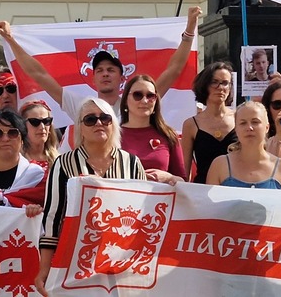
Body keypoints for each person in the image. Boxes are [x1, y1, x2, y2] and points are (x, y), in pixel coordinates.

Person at [0, 7, 201, 129]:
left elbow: (173, 70)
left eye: (111, 70)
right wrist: (10, 40)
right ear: (92, 79)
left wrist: (190, 30)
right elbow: (39, 74)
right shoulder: (82, 106)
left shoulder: (138, 103)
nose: (105, 74)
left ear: (123, 78)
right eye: (99, 70)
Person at [37, 98, 147, 293]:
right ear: (80, 128)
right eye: (90, 119)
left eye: (105, 118)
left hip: (122, 262)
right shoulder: (63, 164)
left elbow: (144, 215)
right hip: (76, 260)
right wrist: (45, 268)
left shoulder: (132, 163)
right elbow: (53, 218)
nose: (98, 123)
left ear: (113, 124)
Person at [206, 102, 281, 190]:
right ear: (236, 129)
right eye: (243, 123)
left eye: (255, 122)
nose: (249, 128)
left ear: (267, 127)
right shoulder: (220, 165)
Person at [119, 75, 186, 185]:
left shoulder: (168, 135)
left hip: (160, 196)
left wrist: (168, 177)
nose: (144, 101)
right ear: (126, 100)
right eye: (137, 95)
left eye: (150, 96)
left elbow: (183, 181)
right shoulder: (113, 135)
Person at [180, 62, 238, 183]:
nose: (220, 87)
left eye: (225, 83)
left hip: (235, 188)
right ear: (204, 85)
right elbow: (185, 169)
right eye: (214, 82)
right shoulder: (191, 124)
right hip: (203, 189)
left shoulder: (240, 118)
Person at [20, 100, 60, 165]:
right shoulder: (16, 161)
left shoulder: (60, 161)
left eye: (46, 121)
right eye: (35, 122)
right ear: (23, 126)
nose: (42, 127)